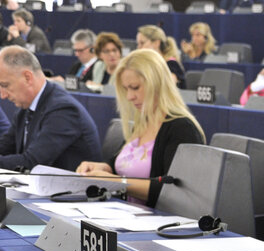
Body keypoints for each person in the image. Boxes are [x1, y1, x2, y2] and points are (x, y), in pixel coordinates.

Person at [75, 50, 204, 207]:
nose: (129, 96)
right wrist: (104, 167)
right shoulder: (142, 122)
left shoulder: (182, 129)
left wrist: (114, 181)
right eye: (126, 89)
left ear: (156, 85)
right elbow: (126, 162)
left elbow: (174, 190)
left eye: (135, 88)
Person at [0, 46, 100, 171]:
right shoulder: (25, 108)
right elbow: (5, 147)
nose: (3, 95)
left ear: (27, 77)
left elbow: (33, 163)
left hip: (72, 189)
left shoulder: (63, 110)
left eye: (5, 85)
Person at [136, 25, 186, 89]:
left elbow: (167, 87)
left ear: (156, 43)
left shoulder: (171, 64)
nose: (138, 48)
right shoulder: (144, 64)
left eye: (142, 43)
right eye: (138, 44)